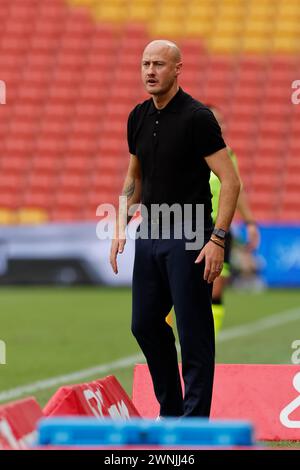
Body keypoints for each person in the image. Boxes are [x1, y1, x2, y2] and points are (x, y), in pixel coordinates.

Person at [110, 40, 240, 418]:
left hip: (191, 236)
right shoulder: (136, 116)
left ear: (178, 69)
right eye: (145, 64)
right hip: (149, 233)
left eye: (159, 65)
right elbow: (134, 178)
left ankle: (194, 420)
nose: (150, 71)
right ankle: (170, 409)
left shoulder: (198, 117)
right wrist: (120, 225)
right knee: (145, 324)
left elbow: (230, 182)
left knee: (193, 330)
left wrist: (217, 239)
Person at [166, 105, 260, 336]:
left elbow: (236, 188)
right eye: (215, 121)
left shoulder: (227, 154)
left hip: (220, 228)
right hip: (192, 227)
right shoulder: (188, 151)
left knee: (217, 287)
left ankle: (210, 340)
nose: (220, 126)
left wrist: (250, 222)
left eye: (222, 122)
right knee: (181, 286)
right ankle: (168, 338)